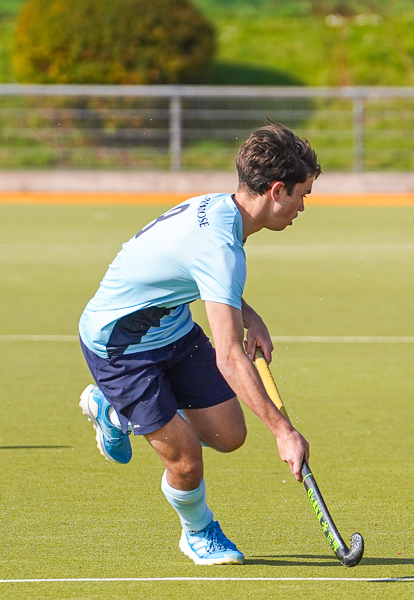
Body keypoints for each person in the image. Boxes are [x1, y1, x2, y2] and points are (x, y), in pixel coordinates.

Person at [78, 121, 319, 565]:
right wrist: (284, 432)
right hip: (120, 346)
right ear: (277, 191)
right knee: (186, 459)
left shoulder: (221, 209)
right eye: (303, 194)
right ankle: (198, 532)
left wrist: (251, 315)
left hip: (169, 328)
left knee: (228, 435)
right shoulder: (222, 247)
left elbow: (203, 273)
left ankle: (117, 410)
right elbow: (229, 357)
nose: (303, 206)